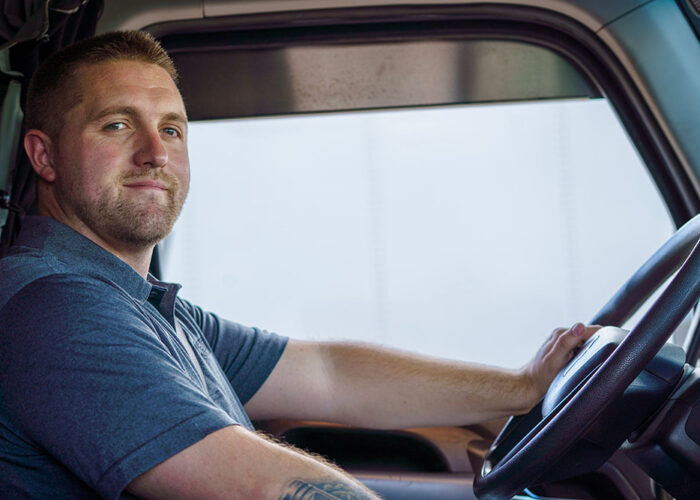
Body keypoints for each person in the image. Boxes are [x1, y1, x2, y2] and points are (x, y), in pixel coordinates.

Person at [0, 30, 599, 499]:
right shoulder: (55, 309)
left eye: (173, 130)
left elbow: (331, 375)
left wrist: (523, 386)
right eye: (118, 125)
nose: (155, 153)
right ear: (43, 156)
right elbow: (260, 489)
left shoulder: (140, 303)